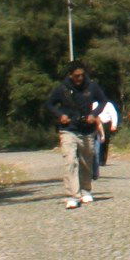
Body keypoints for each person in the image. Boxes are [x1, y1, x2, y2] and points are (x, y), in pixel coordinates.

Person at [43, 62, 110, 208]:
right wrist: (60, 115)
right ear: (70, 75)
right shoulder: (62, 88)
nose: (80, 78)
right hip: (68, 129)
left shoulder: (92, 86)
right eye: (76, 76)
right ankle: (72, 195)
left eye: (82, 75)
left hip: (87, 129)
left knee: (86, 162)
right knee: (70, 161)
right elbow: (50, 104)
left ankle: (85, 190)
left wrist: (94, 114)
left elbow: (103, 101)